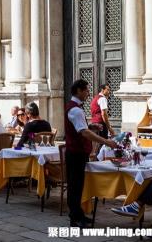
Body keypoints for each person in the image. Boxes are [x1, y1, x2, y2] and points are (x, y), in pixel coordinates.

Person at [65, 79, 117, 228]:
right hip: (76, 153)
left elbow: (82, 128)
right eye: (86, 90)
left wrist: (91, 125)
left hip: (77, 152)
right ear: (79, 91)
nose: (88, 93)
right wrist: (106, 141)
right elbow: (84, 133)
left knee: (78, 185)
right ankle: (75, 218)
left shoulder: (74, 108)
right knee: (75, 186)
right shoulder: (75, 109)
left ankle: (78, 214)